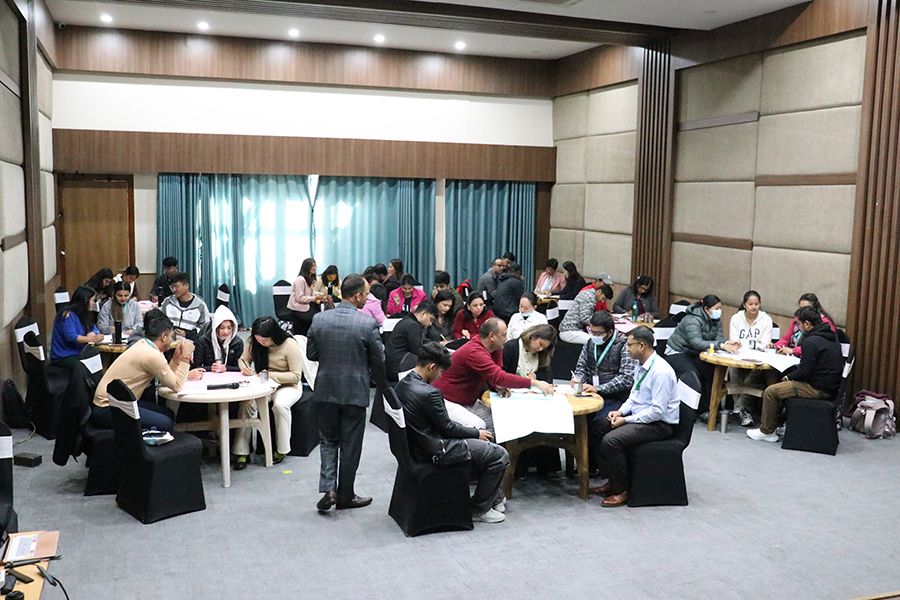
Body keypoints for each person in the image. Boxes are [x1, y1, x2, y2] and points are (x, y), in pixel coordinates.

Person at [395, 342, 510, 523]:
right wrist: (476, 433)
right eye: (441, 371)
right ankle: (480, 509)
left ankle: (494, 498)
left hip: (418, 444)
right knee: (500, 455)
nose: (441, 376)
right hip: (438, 448)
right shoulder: (430, 393)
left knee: (484, 442)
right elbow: (448, 428)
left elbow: (445, 425)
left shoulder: (403, 383)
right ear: (432, 367)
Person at [308, 275, 386, 512]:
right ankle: (346, 495)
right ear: (358, 295)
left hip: (325, 389)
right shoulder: (367, 323)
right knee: (351, 445)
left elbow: (311, 354)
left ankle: (329, 489)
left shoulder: (319, 319)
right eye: (366, 294)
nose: (368, 298)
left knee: (328, 440)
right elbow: (379, 359)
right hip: (355, 391)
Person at [590, 327, 679, 508]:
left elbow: (657, 411)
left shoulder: (660, 372)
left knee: (611, 440)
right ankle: (612, 479)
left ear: (642, 345)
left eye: (630, 345)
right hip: (642, 416)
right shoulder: (641, 365)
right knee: (598, 426)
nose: (627, 349)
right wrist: (621, 412)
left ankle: (622, 490)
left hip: (659, 425)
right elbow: (634, 396)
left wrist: (626, 420)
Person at [434, 318, 554, 432]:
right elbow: (500, 377)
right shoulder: (474, 351)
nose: (506, 338)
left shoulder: (496, 348)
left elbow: (494, 376)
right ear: (492, 336)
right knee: (479, 426)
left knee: (499, 420)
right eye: (504, 335)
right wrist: (534, 383)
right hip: (446, 400)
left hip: (466, 400)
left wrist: (496, 386)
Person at [92, 309, 202, 431]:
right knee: (166, 422)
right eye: (171, 336)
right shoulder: (152, 355)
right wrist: (186, 357)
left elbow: (167, 380)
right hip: (108, 407)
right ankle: (141, 443)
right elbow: (176, 386)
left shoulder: (144, 344)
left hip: (118, 402)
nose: (172, 340)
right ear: (164, 337)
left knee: (168, 414)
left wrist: (176, 359)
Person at [747, 307, 843, 443]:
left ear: (807, 324)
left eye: (799, 324)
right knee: (782, 386)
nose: (798, 327)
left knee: (771, 391)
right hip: (831, 387)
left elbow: (804, 372)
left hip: (817, 389)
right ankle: (778, 424)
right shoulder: (831, 337)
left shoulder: (811, 342)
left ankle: (767, 431)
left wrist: (787, 378)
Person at [233, 316, 303, 469]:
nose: (261, 343)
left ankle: (282, 449)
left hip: (287, 385)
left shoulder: (289, 344)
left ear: (274, 335)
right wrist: (244, 368)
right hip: (263, 385)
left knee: (280, 405)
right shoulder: (254, 342)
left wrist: (272, 375)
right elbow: (243, 359)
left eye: (265, 340)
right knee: (247, 404)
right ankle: (241, 451)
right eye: (258, 339)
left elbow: (296, 376)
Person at [665, 294, 740, 415]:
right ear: (706, 308)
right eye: (716, 308)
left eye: (720, 308)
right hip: (678, 351)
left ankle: (710, 409)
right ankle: (693, 411)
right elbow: (696, 342)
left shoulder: (716, 320)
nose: (719, 311)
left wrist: (727, 343)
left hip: (695, 353)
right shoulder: (692, 320)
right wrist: (721, 345)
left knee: (710, 370)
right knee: (693, 374)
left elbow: (719, 338)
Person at [572, 311, 639, 419]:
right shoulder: (590, 343)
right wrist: (578, 379)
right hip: (591, 393)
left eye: (598, 333)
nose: (594, 336)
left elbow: (626, 378)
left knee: (599, 421)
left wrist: (599, 388)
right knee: (573, 415)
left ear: (610, 332)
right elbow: (581, 367)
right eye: (591, 331)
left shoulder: (624, 345)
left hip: (616, 397)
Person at [728, 290, 775, 426]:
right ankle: (743, 411)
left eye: (756, 304)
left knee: (756, 372)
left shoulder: (766, 319)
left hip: (758, 358)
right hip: (739, 355)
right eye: (750, 304)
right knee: (733, 368)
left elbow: (765, 343)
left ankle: (739, 409)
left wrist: (750, 346)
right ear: (744, 305)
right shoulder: (736, 318)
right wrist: (753, 345)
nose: (754, 307)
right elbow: (734, 342)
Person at [50, 286, 104, 369]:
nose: (94, 303)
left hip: (79, 353)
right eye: (93, 300)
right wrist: (90, 339)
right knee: (89, 366)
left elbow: (94, 328)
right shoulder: (67, 314)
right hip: (64, 356)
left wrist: (93, 333)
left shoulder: (85, 313)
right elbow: (71, 336)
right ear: (85, 300)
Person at [385, 300, 437, 380]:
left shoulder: (407, 320)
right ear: (423, 314)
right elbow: (417, 350)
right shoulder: (413, 326)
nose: (430, 324)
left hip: (393, 365)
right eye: (431, 319)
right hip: (399, 368)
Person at [191, 304, 243, 372]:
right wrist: (210, 368)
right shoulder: (202, 341)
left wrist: (226, 368)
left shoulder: (237, 342)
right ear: (216, 327)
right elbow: (196, 366)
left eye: (229, 328)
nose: (226, 332)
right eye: (222, 328)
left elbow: (241, 367)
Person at [160, 272, 210, 336]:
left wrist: (187, 334)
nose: (174, 290)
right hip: (169, 338)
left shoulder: (200, 305)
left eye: (176, 286)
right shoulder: (167, 302)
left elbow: (205, 328)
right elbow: (160, 321)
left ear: (186, 286)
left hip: (191, 340)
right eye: (171, 287)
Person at [287, 258, 322, 336]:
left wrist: (320, 296)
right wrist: (315, 298)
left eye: (315, 266)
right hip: (297, 308)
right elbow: (299, 298)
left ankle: (310, 337)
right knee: (315, 318)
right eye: (313, 266)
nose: (315, 268)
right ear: (307, 267)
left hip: (306, 305)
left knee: (319, 314)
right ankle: (306, 336)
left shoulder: (310, 279)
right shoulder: (300, 280)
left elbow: (311, 294)